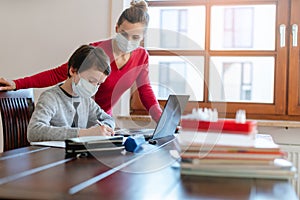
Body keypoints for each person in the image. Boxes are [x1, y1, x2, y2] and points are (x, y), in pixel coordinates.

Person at [0, 0, 162, 123]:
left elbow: (145, 90)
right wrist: (18, 84)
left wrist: (160, 119)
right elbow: (58, 73)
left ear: (143, 38)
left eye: (135, 38)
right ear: (117, 28)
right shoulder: (96, 52)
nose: (128, 41)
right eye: (124, 34)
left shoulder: (142, 57)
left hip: (103, 121)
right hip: (77, 120)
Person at [27, 45, 115, 142]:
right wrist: (84, 133)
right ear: (73, 71)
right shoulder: (50, 98)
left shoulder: (86, 100)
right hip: (54, 155)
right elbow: (33, 131)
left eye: (98, 83)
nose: (94, 87)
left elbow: (109, 119)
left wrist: (103, 129)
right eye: (91, 81)